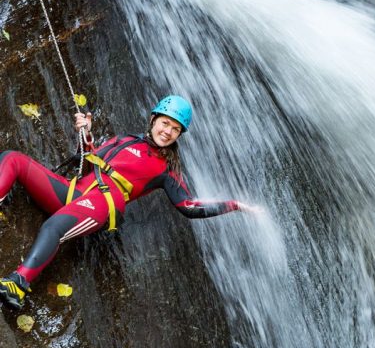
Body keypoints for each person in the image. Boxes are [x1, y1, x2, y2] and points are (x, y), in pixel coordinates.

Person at [0, 95, 259, 310]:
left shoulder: (167, 170)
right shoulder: (124, 139)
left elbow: (188, 207)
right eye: (165, 123)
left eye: (175, 129)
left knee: (53, 227)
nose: (167, 131)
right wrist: (85, 134)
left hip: (101, 205)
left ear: (179, 135)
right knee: (13, 159)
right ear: (153, 119)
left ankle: (18, 283)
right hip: (73, 192)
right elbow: (88, 160)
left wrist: (234, 205)